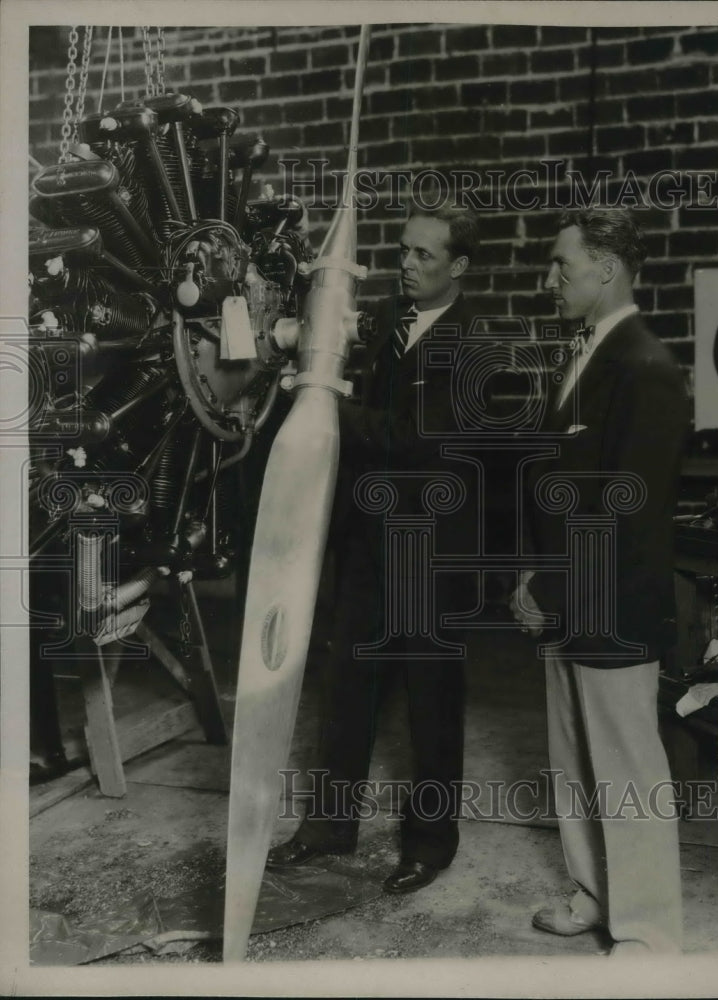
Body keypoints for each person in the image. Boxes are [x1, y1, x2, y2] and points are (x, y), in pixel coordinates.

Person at [266, 202, 481, 894]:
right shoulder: (387, 323)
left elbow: (416, 438)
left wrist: (318, 395)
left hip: (430, 552)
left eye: (424, 255)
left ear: (459, 267)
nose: (406, 265)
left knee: (430, 702)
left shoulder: (473, 342)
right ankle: (329, 826)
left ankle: (429, 842)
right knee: (347, 691)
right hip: (366, 544)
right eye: (402, 251)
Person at [511, 208, 688, 954]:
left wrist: (548, 588)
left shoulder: (644, 367)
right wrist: (534, 574)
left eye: (562, 264)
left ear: (607, 267)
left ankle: (647, 937)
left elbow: (625, 508)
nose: (551, 279)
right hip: (565, 600)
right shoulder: (583, 354)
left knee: (625, 768)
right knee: (575, 761)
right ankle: (594, 894)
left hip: (612, 604)